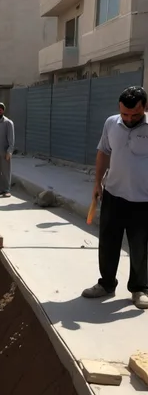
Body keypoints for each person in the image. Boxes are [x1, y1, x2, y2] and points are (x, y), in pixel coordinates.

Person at [82, 86, 148, 309]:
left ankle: (140, 288)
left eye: (135, 115)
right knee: (108, 242)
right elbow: (104, 151)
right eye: (125, 114)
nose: (129, 119)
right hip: (113, 194)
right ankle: (107, 283)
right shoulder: (111, 123)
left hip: (143, 200)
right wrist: (97, 183)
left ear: (145, 108)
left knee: (140, 246)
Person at [0, 103, 15, 197]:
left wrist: (9, 151)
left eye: (0, 110)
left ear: (3, 111)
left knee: (5, 172)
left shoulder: (8, 123)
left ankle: (6, 189)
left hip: (4, 152)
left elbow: (11, 139)